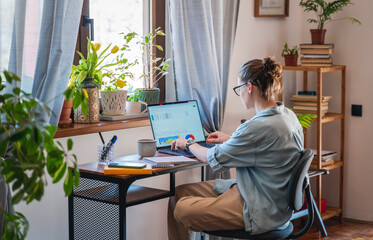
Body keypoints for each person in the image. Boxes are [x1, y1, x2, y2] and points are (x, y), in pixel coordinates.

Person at [168, 57, 304, 240]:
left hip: (259, 208)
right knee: (179, 193)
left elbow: (210, 157)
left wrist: (189, 144)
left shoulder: (257, 127)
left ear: (249, 87)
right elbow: (267, 148)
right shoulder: (287, 116)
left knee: (182, 208)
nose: (239, 94)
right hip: (266, 197)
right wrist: (231, 139)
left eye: (238, 89)